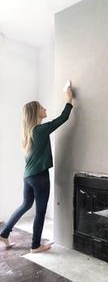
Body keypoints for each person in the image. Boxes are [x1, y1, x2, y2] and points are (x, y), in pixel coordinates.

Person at [0, 86, 74, 253]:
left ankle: (4, 234)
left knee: (25, 204)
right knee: (40, 211)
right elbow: (63, 118)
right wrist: (69, 100)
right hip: (39, 176)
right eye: (42, 107)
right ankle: (35, 245)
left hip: (28, 176)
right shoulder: (40, 130)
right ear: (36, 113)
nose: (45, 108)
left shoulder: (29, 132)